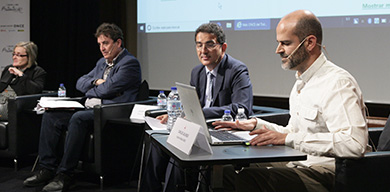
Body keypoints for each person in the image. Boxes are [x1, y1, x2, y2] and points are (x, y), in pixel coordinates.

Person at [213, 10, 369, 192]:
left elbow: (354, 144)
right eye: (279, 43)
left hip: (328, 173)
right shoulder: (301, 83)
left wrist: (289, 138)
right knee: (226, 172)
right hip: (300, 162)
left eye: (285, 43)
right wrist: (256, 125)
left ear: (309, 43)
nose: (278, 50)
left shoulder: (337, 83)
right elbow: (294, 133)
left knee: (250, 178)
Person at [23, 23, 142, 192]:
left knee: (78, 118)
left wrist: (99, 88)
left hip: (111, 111)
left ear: (118, 43)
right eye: (100, 44)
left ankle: (65, 174)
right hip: (90, 106)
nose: (102, 48)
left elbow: (108, 89)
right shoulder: (102, 62)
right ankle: (47, 169)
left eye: (106, 43)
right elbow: (80, 82)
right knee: (51, 115)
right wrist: (95, 82)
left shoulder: (130, 63)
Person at [140, 22, 253, 192]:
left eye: (209, 44)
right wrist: (175, 115)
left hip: (223, 130)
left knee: (177, 149)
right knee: (156, 142)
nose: (203, 51)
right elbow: (192, 106)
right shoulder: (197, 72)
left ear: (223, 47)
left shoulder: (236, 70)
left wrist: (202, 114)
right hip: (199, 127)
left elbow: (241, 107)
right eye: (199, 45)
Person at [0, 41, 46, 120]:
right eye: (14, 54)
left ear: (29, 57)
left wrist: (21, 75)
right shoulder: (8, 69)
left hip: (13, 105)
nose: (14, 57)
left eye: (18, 55)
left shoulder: (38, 72)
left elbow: (35, 91)